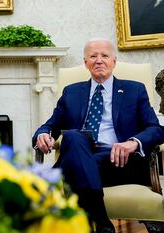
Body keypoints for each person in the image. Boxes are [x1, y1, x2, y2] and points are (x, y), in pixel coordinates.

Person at [32, 39, 164, 233]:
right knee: (74, 137)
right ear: (86, 62)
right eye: (93, 56)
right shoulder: (72, 92)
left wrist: (132, 143)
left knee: (72, 155)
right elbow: (50, 125)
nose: (99, 60)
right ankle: (103, 224)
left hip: (121, 161)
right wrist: (43, 134)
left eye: (104, 56)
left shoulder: (134, 90)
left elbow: (156, 129)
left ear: (114, 61)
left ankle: (60, 174)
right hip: (84, 154)